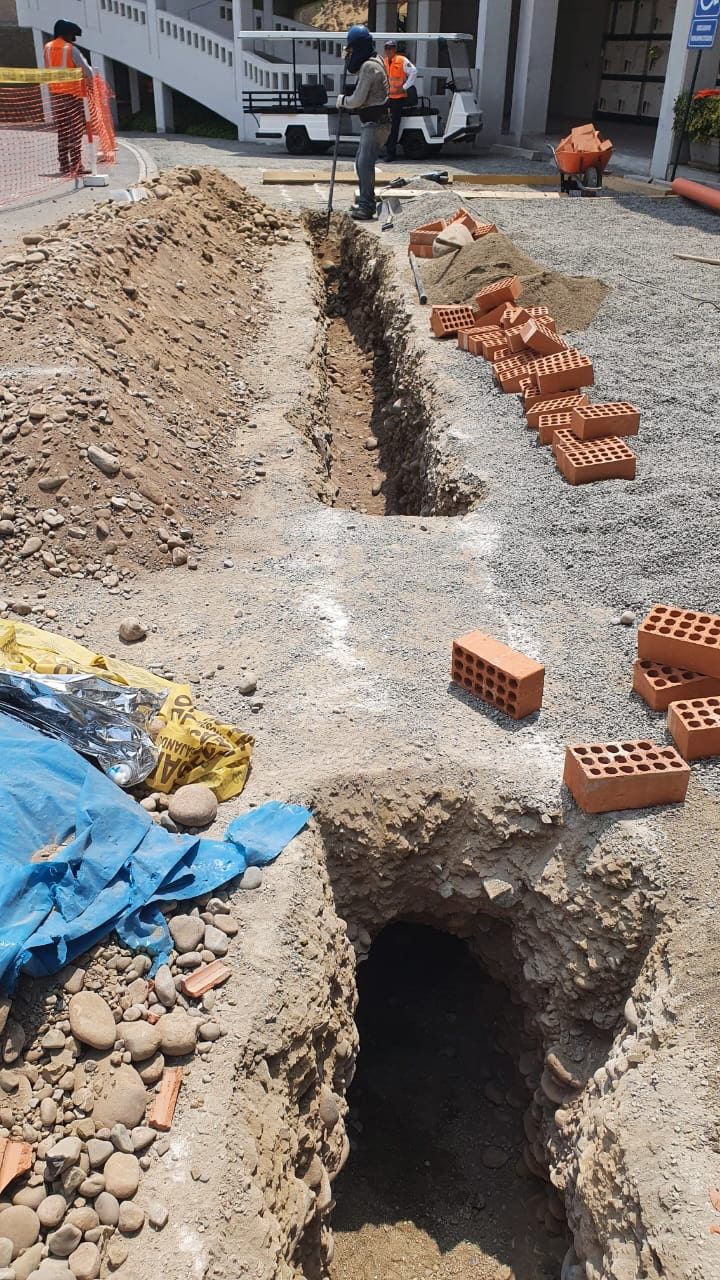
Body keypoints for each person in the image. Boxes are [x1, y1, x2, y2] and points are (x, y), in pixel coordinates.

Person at [336, 25, 389, 221]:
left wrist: (342, 100)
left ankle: (367, 205)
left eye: (350, 51)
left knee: (365, 164)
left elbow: (357, 100)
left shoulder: (369, 67)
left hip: (376, 123)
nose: (349, 55)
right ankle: (365, 200)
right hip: (374, 123)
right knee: (360, 162)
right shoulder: (375, 62)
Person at [43, 20, 93, 176]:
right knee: (76, 130)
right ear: (66, 33)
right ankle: (77, 165)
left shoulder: (47, 47)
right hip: (73, 95)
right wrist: (91, 81)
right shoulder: (70, 49)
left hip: (56, 95)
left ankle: (64, 165)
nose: (73, 38)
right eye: (72, 35)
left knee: (63, 130)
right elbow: (87, 71)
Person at [381, 39, 417, 161]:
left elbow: (413, 71)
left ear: (395, 49)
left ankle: (391, 153)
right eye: (387, 48)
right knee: (384, 124)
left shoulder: (401, 60)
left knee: (394, 126)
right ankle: (384, 149)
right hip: (386, 98)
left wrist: (405, 87)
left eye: (391, 48)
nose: (389, 50)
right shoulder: (383, 61)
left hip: (398, 98)